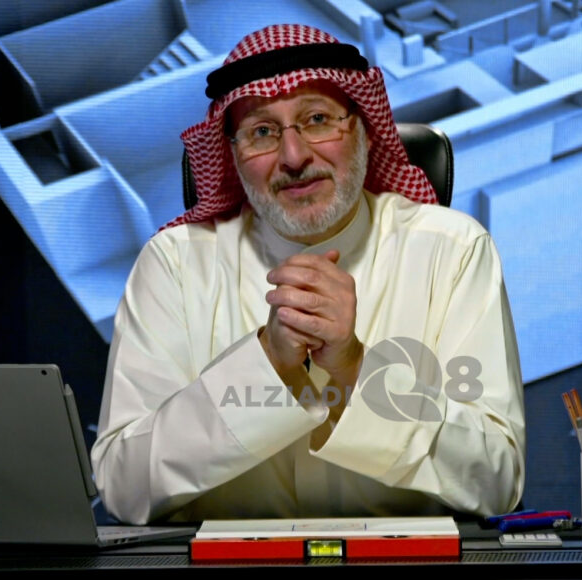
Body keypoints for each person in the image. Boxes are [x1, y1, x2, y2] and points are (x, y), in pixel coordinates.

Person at [90, 23, 525, 525]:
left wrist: (356, 366)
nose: (293, 157)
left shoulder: (453, 250)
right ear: (232, 155)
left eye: (317, 120)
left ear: (365, 129)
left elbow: (497, 480)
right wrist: (268, 361)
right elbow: (123, 486)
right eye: (261, 132)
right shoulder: (175, 263)